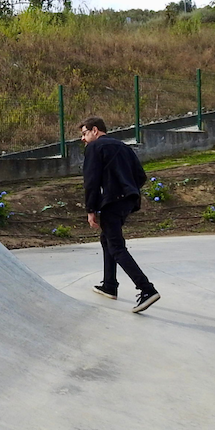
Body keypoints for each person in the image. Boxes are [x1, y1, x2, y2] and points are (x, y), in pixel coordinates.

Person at [79, 116, 160, 313]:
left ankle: (147, 289)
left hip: (112, 202)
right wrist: (127, 190)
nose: (82, 139)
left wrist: (91, 210)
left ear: (95, 130)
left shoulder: (95, 147)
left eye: (84, 133)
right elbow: (140, 176)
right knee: (107, 240)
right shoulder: (124, 147)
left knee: (116, 246)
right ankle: (109, 285)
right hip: (128, 200)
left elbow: (91, 181)